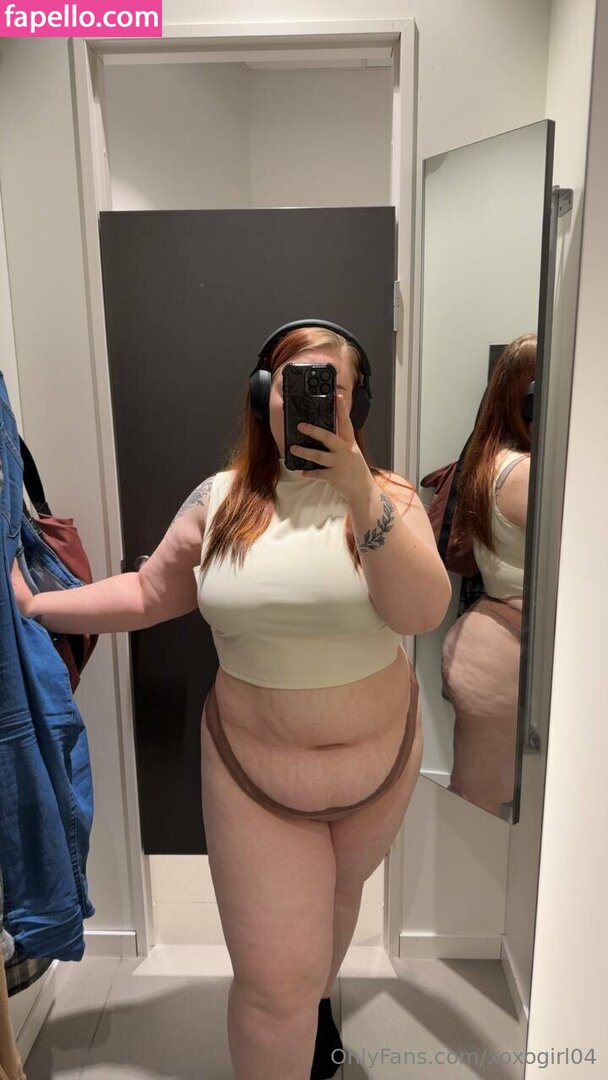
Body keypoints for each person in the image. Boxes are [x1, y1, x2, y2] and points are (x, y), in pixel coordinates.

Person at [12, 324, 451, 1080]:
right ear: (262, 394)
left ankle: (318, 1015)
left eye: (331, 386)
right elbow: (148, 593)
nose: (309, 399)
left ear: (357, 403)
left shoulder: (390, 498)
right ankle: (298, 1017)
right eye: (293, 381)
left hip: (380, 772)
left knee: (335, 907)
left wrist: (355, 488)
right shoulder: (218, 501)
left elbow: (421, 612)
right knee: (274, 985)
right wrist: (37, 605)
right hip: (256, 777)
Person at [440, 333, 535, 816]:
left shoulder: (491, 459)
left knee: (480, 803)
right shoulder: (526, 472)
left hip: (490, 641)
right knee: (486, 809)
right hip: (505, 654)